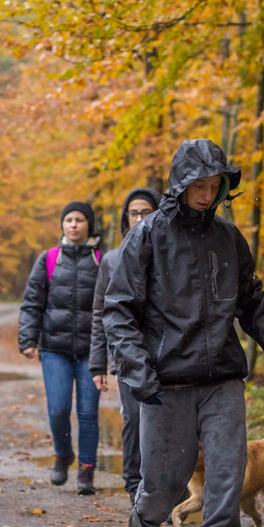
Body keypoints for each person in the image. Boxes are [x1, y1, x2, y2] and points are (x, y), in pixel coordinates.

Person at [103, 139, 264, 527]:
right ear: (180, 185)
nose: (208, 195)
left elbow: (250, 299)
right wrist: (137, 369)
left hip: (222, 380)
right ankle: (142, 524)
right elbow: (118, 309)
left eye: (215, 187)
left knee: (227, 480)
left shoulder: (229, 239)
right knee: (164, 487)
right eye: (200, 187)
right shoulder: (147, 236)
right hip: (164, 383)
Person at [17, 201, 103, 495]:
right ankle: (64, 454)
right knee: (58, 409)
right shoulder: (50, 258)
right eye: (69, 220)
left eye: (80, 220)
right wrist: (28, 339)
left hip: (92, 350)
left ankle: (87, 469)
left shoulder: (102, 260)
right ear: (63, 225)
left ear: (89, 225)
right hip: (55, 349)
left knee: (88, 412)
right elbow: (32, 303)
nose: (74, 225)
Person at [89, 187, 161, 503]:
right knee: (134, 421)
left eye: (146, 212)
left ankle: (160, 483)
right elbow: (100, 313)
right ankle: (134, 486)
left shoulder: (168, 254)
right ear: (125, 218)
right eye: (134, 213)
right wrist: (98, 364)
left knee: (162, 422)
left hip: (166, 353)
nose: (140, 218)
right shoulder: (111, 260)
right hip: (126, 354)